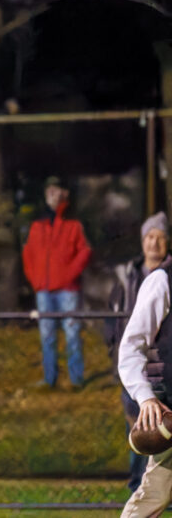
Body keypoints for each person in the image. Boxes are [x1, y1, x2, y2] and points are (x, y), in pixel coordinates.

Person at [107, 212, 172, 492]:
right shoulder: (139, 279)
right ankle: (135, 484)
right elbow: (122, 328)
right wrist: (113, 345)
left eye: (160, 237)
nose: (154, 243)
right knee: (141, 432)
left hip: (163, 385)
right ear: (142, 241)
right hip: (149, 381)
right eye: (149, 237)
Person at [117, 246, 172, 516]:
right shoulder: (162, 281)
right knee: (153, 497)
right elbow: (131, 347)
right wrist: (146, 396)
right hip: (171, 413)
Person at [21, 176, 91, 389]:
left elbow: (84, 251)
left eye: (56, 190)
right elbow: (28, 253)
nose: (51, 194)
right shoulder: (37, 224)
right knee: (47, 335)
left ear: (64, 194)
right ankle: (49, 379)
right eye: (49, 190)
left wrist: (69, 274)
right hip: (44, 290)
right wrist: (36, 280)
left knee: (71, 334)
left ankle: (76, 379)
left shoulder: (74, 223)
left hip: (68, 289)